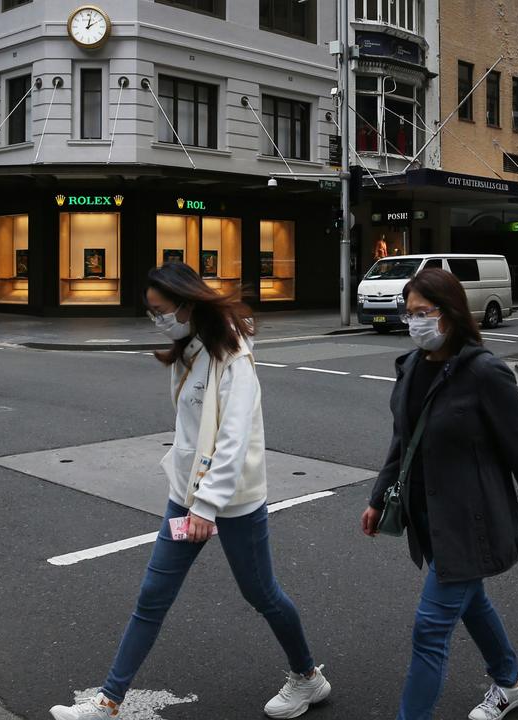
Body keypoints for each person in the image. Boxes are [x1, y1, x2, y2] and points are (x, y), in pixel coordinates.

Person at [50, 263, 330, 720]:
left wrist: (207, 505)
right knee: (153, 595)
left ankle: (307, 677)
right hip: (187, 499)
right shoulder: (188, 351)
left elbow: (234, 438)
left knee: (262, 595)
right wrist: (189, 496)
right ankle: (108, 703)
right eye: (151, 313)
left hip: (231, 502)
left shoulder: (233, 356)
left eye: (161, 311)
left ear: (186, 303)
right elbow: (190, 431)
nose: (157, 320)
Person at [360, 268, 518, 720]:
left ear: (450, 314)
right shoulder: (413, 367)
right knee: (471, 601)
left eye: (423, 313)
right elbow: (403, 442)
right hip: (428, 515)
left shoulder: (485, 372)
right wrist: (378, 498)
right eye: (409, 312)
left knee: (430, 629)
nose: (413, 321)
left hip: (468, 521)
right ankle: (510, 681)